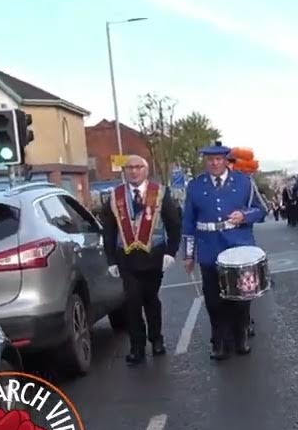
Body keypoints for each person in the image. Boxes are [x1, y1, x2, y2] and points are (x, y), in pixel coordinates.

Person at [182, 142, 267, 360]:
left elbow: (262, 209)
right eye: (210, 159)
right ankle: (219, 341)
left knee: (241, 297)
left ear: (226, 160)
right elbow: (188, 222)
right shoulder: (195, 185)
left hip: (238, 245)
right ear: (205, 161)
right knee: (213, 299)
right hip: (209, 247)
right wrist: (189, 255)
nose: (214, 163)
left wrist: (245, 216)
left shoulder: (243, 181)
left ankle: (240, 337)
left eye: (218, 159)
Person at [100, 154, 182, 364]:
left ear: (145, 170)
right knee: (132, 301)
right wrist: (111, 261)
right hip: (126, 258)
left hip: (153, 255)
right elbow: (108, 231)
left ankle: (156, 339)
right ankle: (137, 346)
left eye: (138, 167)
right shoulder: (115, 196)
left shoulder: (160, 193)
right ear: (125, 172)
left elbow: (174, 224)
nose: (134, 171)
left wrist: (170, 253)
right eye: (129, 168)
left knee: (151, 299)